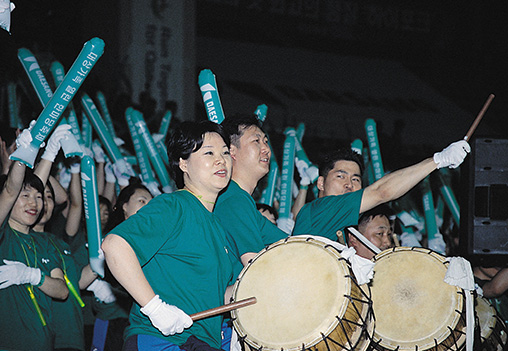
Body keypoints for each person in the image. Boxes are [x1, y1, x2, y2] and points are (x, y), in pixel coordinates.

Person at [101, 120, 233, 351]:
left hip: (202, 342)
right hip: (162, 340)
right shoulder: (173, 205)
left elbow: (217, 295)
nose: (221, 160)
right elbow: (114, 245)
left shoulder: (218, 227)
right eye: (209, 153)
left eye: (225, 153)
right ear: (183, 163)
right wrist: (156, 308)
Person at [293, 141, 470, 242]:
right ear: (321, 183)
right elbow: (381, 192)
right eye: (341, 176)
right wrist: (438, 160)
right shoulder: (323, 208)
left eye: (355, 179)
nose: (349, 184)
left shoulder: (344, 224)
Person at [0, 125, 70, 351]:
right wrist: (24, 154)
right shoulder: (4, 237)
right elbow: (11, 190)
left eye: (39, 198)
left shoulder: (44, 242)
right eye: (26, 196)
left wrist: (32, 276)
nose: (34, 203)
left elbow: (62, 290)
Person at [215, 114, 288, 272]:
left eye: (266, 142)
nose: (266, 149)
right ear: (231, 151)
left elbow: (291, 245)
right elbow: (256, 269)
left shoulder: (239, 200)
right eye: (256, 141)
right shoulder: (234, 200)